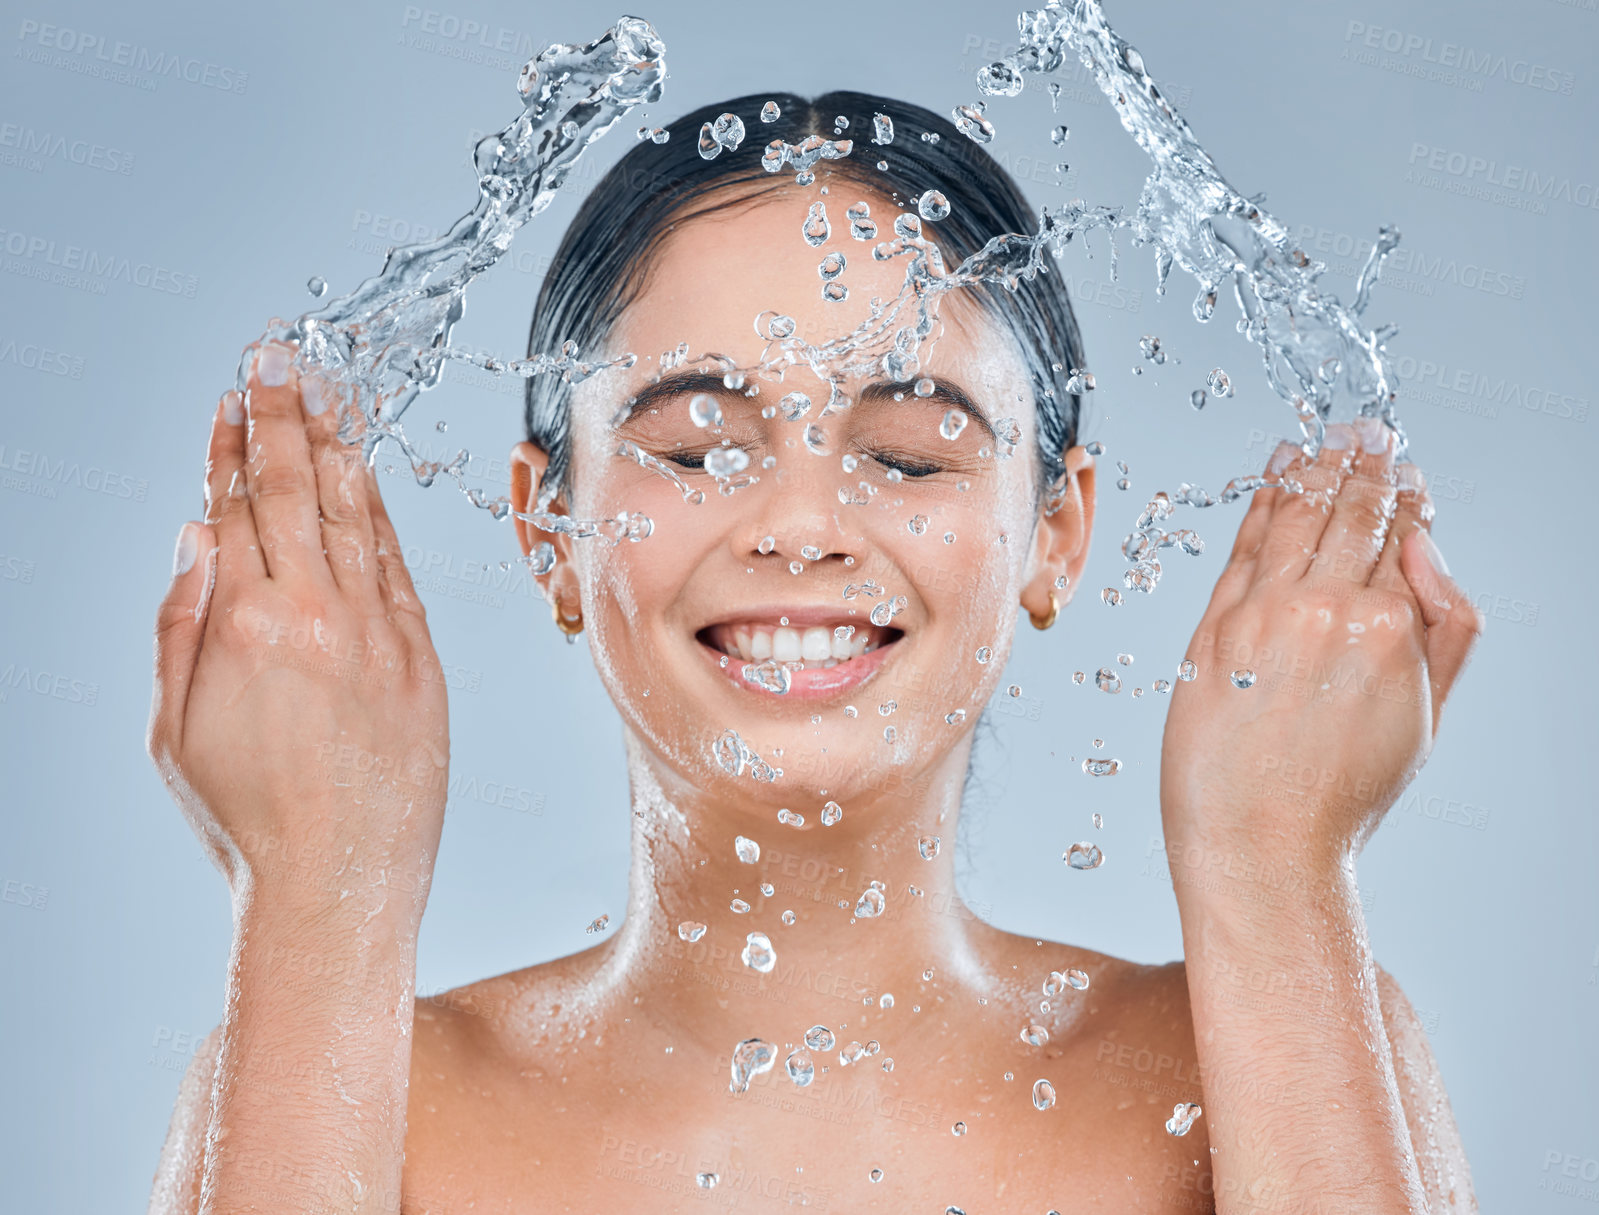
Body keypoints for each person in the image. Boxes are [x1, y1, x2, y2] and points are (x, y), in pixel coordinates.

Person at [145, 92, 1482, 1214]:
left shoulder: (1257, 1055)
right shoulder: (363, 1085)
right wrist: (319, 890)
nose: (801, 527)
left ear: (1056, 533)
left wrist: (1273, 865)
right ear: (549, 525)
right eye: (696, 445)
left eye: (907, 454)